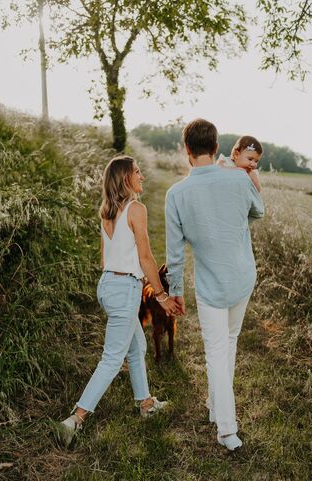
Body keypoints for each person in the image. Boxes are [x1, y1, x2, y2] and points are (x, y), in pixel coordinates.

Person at [60, 155, 179, 446]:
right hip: (125, 289)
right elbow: (146, 257)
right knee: (112, 358)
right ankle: (75, 419)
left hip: (107, 285)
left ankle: (146, 404)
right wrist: (161, 296)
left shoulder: (106, 212)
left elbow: (104, 258)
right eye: (137, 172)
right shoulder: (135, 209)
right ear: (126, 178)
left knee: (136, 347)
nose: (142, 176)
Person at [165, 119, 264, 451]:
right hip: (242, 276)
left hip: (212, 284)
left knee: (217, 351)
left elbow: (174, 253)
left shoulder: (176, 194)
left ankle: (226, 429)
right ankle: (215, 405)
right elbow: (259, 212)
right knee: (229, 343)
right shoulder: (238, 178)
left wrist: (174, 291)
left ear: (187, 151)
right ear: (218, 148)